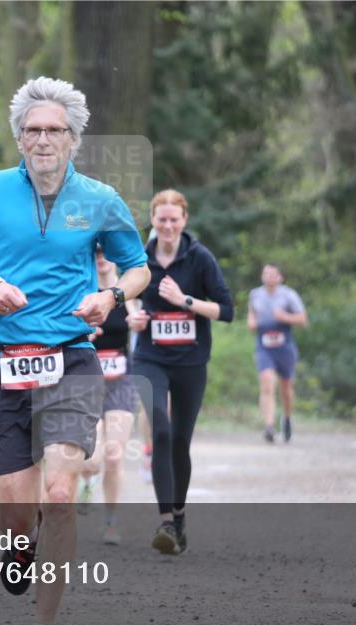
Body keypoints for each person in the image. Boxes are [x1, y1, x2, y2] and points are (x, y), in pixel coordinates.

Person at [0, 76, 149, 625]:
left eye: (54, 130)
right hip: (0, 363)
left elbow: (137, 270)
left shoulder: (101, 199)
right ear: (19, 139)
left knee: (59, 493)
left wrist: (109, 299)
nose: (43, 139)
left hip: (71, 361)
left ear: (73, 139)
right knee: (16, 513)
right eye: (32, 130)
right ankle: (16, 548)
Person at [127, 189, 234, 555]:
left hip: (190, 362)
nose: (168, 226)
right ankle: (166, 523)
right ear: (153, 222)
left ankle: (180, 513)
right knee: (160, 430)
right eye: (161, 220)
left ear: (184, 221)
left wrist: (185, 301)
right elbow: (123, 292)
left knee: (180, 443)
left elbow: (227, 310)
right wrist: (133, 314)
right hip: (149, 359)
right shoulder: (140, 258)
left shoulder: (200, 258)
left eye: (174, 220)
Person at [79, 245, 139, 545]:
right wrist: (83, 335)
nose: (101, 257)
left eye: (106, 251)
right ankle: (87, 482)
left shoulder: (129, 294)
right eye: (96, 252)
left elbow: (145, 335)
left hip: (120, 382)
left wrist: (141, 325)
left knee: (115, 454)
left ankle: (111, 521)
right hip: (85, 383)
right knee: (90, 461)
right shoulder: (81, 290)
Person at [247, 263, 308, 443]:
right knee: (266, 383)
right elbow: (252, 314)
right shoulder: (255, 294)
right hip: (264, 344)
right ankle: (269, 426)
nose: (269, 277)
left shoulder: (289, 295)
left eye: (273, 274)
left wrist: (285, 317)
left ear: (280, 278)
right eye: (266, 273)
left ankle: (287, 418)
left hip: (284, 344)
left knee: (286, 388)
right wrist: (251, 322)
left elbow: (303, 319)